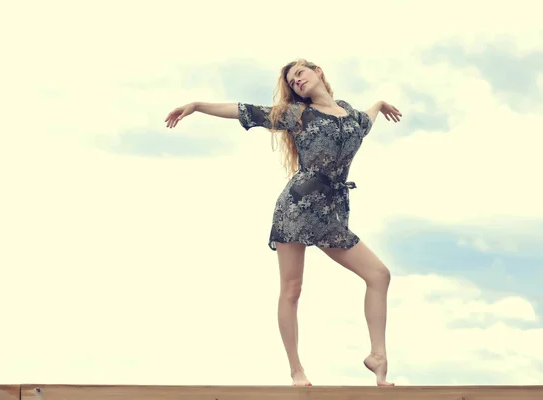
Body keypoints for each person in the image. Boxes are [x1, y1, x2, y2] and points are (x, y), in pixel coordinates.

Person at [164, 59, 402, 387]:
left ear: (318, 71)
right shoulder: (297, 114)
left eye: (300, 74)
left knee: (378, 274)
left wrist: (378, 104)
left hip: (330, 212)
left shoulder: (351, 116)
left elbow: (367, 121)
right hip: (297, 206)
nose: (296, 81)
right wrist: (197, 106)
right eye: (291, 81)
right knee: (292, 289)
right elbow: (246, 110)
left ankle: (378, 356)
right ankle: (296, 371)